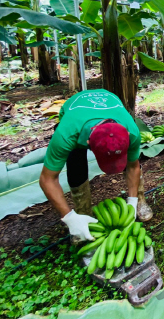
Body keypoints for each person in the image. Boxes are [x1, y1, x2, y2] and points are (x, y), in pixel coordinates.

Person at [39, 89, 152, 241]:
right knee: (76, 165)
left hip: (110, 102)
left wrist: (132, 202)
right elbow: (47, 179)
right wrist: (69, 217)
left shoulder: (131, 131)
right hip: (75, 115)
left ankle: (140, 199)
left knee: (131, 159)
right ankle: (82, 213)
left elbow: (133, 166)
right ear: (87, 144)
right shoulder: (66, 134)